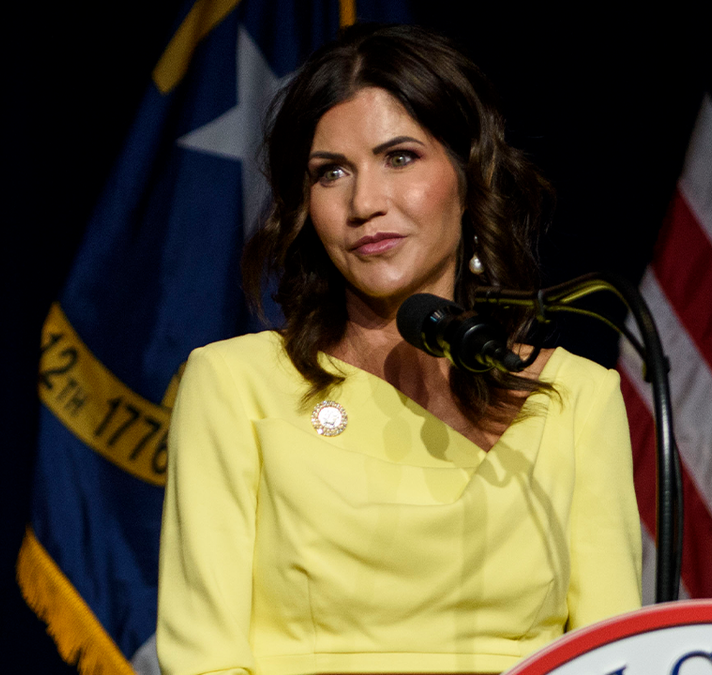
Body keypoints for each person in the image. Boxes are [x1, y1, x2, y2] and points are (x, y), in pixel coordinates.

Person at [157, 23, 641, 675]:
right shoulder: (233, 385)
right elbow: (202, 660)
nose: (364, 202)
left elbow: (613, 659)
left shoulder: (578, 397)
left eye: (400, 157)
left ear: (468, 176)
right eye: (331, 173)